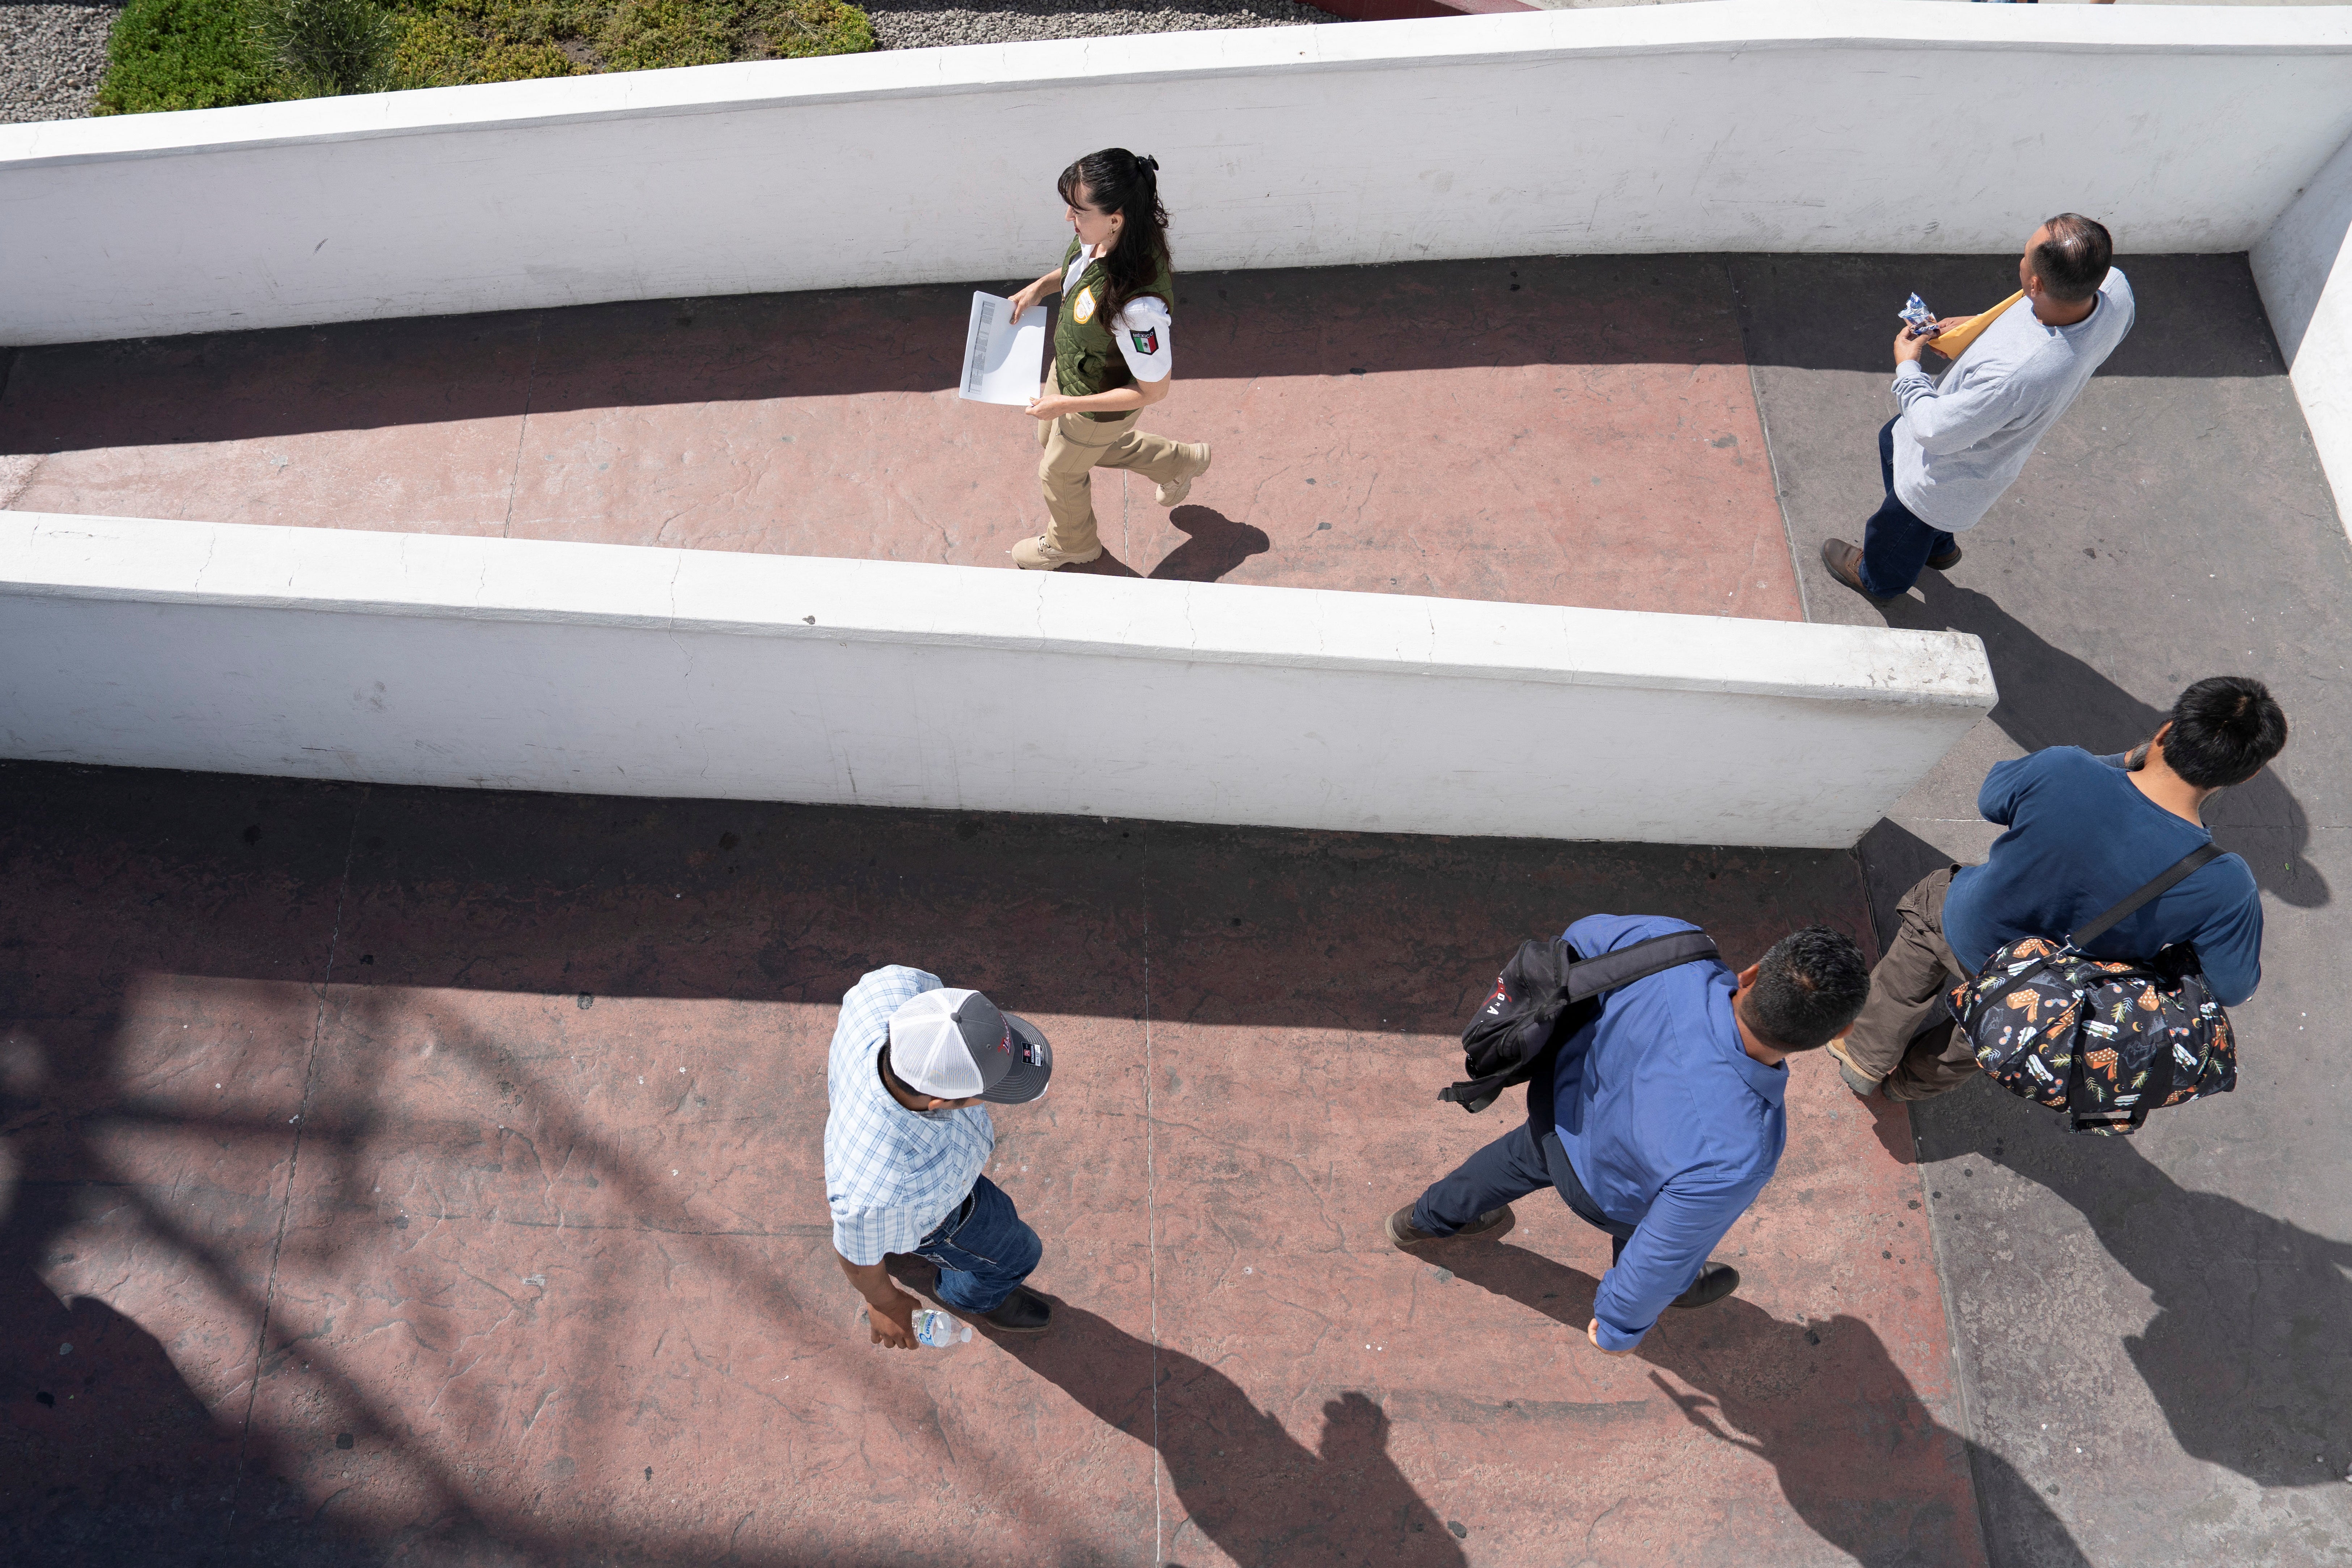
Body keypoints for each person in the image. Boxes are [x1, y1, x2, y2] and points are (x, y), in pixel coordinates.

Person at [1389, 920, 1870, 1353]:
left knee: (1503, 1165)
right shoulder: (1745, 1150)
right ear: (1840, 1032)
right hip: (1610, 1200)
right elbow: (1662, 1253)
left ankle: (1421, 1220)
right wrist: (1618, 1324)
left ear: (1751, 973)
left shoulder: (1673, 945)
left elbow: (1580, 940)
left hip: (1559, 1111)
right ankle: (1682, 1290)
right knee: (1659, 1237)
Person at [1829, 676, 2287, 1102]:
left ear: (2165, 730)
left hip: (1968, 924)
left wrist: (2117, 762)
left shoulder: (2062, 768)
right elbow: (2230, 987)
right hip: (2043, 994)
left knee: (1931, 912)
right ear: (2244, 776)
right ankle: (1910, 1086)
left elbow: (1992, 798)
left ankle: (1866, 1056)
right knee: (1988, 1033)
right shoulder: (2225, 881)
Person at [1822, 214, 2135, 605]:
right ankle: (1938, 546)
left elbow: (1934, 432)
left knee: (1905, 514)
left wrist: (1906, 365)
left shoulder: (2017, 375)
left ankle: (1877, 577)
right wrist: (1980, 326)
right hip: (1979, 433)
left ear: (2035, 283)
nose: (2020, 262)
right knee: (1891, 437)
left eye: (2025, 257)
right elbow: (2032, 315)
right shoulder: (2113, 288)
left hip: (1948, 470)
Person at [1001, 148, 1211, 571]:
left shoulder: (1140, 310)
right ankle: (1177, 462)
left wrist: (1066, 405)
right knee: (1053, 442)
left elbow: (1152, 391)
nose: (1068, 219)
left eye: (1078, 211)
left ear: (1115, 218)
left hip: (1095, 403)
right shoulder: (1106, 238)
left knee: (1058, 473)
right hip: (1073, 373)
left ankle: (1072, 544)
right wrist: (1040, 287)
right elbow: (1081, 270)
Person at [825, 966, 1056, 1344]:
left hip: (911, 1194)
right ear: (940, 1102)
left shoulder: (891, 987)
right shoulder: (882, 1188)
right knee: (1017, 1253)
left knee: (880, 1231)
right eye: (992, 1087)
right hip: (942, 1215)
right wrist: (883, 1301)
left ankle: (893, 1241)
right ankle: (973, 1295)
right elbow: (854, 1253)